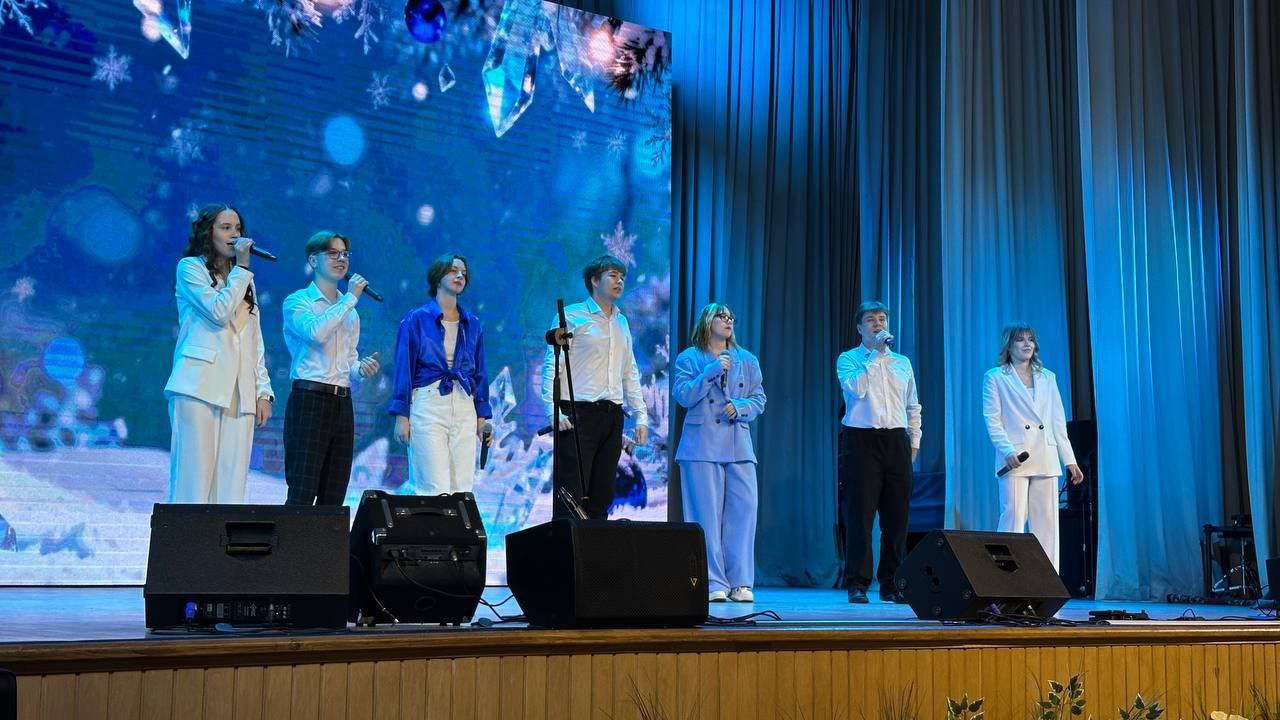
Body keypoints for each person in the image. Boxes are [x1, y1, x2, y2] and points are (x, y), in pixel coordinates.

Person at [164, 203, 274, 503]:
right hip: (199, 385)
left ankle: (221, 536)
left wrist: (263, 391)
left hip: (240, 393)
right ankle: (185, 535)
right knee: (193, 484)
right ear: (208, 232)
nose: (234, 235)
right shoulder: (190, 269)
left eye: (238, 228)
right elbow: (218, 312)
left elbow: (254, 340)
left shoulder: (244, 281)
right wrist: (242, 269)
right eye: (226, 228)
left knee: (230, 491)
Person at [541, 255, 649, 520]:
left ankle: (594, 545)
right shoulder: (572, 316)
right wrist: (551, 410)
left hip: (612, 415)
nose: (619, 281)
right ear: (594, 280)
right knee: (571, 493)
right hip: (578, 413)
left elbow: (629, 370)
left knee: (602, 494)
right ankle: (566, 546)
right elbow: (552, 365)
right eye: (612, 275)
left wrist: (641, 415)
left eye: (622, 277)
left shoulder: (622, 322)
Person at [672, 303, 766, 603]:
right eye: (722, 316)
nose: (728, 321)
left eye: (731, 317)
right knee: (705, 517)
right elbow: (683, 395)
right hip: (700, 445)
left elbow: (759, 398)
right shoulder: (689, 358)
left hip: (738, 444)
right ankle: (712, 582)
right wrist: (711, 372)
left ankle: (740, 582)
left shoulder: (747, 359)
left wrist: (741, 407)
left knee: (744, 514)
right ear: (707, 321)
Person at [281, 231, 381, 506]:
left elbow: (348, 361)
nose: (341, 259)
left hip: (342, 402)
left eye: (345, 254)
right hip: (309, 399)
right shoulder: (297, 302)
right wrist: (349, 299)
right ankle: (295, 536)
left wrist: (361, 368)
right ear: (313, 260)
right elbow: (316, 333)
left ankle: (328, 536)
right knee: (302, 488)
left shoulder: (351, 312)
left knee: (334, 492)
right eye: (333, 253)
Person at [836, 301, 922, 603]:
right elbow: (856, 390)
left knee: (897, 517)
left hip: (896, 439)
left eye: (882, 319)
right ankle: (858, 582)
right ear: (860, 327)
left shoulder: (902, 362)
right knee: (860, 515)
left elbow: (912, 404)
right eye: (871, 320)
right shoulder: (848, 359)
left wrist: (915, 441)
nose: (878, 324)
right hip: (861, 441)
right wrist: (874, 356)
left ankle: (893, 583)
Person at [981, 323, 1083, 570]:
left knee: (1047, 522)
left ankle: (1046, 580)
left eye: (1030, 339)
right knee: (1013, 517)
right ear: (1009, 346)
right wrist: (1007, 450)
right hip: (1016, 456)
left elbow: (1057, 422)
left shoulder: (1048, 377)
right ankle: (1005, 578)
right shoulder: (995, 377)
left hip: (1045, 455)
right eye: (1020, 340)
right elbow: (993, 420)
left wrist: (1070, 460)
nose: (1027, 344)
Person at [389, 253, 492, 495]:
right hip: (428, 402)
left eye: (463, 273)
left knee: (462, 488)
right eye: (453, 270)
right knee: (432, 487)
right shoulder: (417, 319)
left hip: (464, 404)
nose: (459, 276)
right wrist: (402, 415)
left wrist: (482, 417)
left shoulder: (473, 324)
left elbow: (480, 372)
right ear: (438, 277)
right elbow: (404, 367)